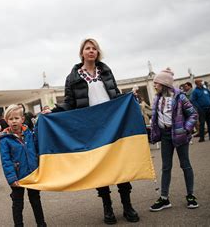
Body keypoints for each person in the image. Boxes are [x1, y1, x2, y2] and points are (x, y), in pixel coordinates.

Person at [52, 38, 139, 224]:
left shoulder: (106, 71)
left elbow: (114, 94)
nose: (91, 51)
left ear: (97, 52)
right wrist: (52, 111)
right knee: (101, 168)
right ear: (82, 53)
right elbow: (69, 102)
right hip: (91, 127)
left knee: (119, 165)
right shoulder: (73, 77)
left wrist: (128, 98)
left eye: (94, 48)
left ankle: (127, 206)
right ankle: (107, 208)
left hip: (113, 124)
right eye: (87, 48)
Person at [149, 68, 199, 212]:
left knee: (185, 165)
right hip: (165, 136)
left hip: (179, 134)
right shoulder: (157, 98)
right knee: (166, 167)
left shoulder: (180, 97)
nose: (154, 85)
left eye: (156, 83)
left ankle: (191, 195)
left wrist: (186, 129)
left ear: (164, 84)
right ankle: (164, 198)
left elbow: (193, 114)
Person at [0, 104, 46, 227]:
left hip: (32, 173)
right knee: (18, 203)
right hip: (17, 177)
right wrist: (12, 179)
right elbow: (6, 160)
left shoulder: (29, 134)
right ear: (6, 121)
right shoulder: (5, 140)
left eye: (16, 118)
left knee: (36, 201)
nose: (14, 121)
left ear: (22, 119)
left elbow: (37, 147)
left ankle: (41, 224)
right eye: (10, 119)